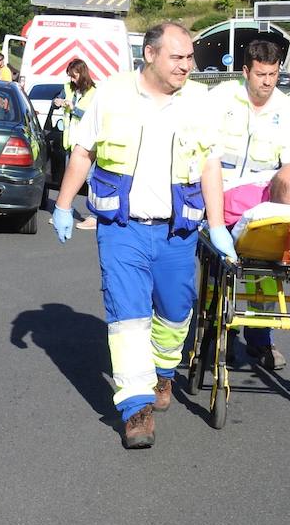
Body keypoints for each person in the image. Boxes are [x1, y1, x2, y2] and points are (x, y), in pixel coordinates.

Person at [51, 22, 234, 449]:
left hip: (177, 230)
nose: (186, 66)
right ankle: (136, 410)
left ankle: (164, 372)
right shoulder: (111, 95)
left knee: (175, 311)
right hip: (123, 229)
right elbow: (83, 152)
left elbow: (210, 165)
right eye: (177, 57)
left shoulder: (200, 103)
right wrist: (62, 205)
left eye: (190, 58)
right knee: (128, 317)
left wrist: (219, 223)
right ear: (150, 55)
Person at [208, 39, 290, 370]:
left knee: (263, 274)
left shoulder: (286, 110)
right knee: (214, 272)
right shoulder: (221, 99)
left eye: (273, 74)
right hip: (217, 196)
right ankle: (212, 334)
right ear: (245, 71)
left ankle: (259, 339)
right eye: (261, 74)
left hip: (261, 205)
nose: (267, 82)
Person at [53, 58, 98, 230]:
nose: (71, 79)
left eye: (74, 76)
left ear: (82, 74)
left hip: (88, 143)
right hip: (70, 141)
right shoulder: (68, 88)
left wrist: (74, 109)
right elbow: (57, 100)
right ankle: (65, 211)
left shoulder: (94, 92)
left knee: (90, 179)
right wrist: (57, 102)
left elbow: (91, 115)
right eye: (70, 76)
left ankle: (94, 216)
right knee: (69, 177)